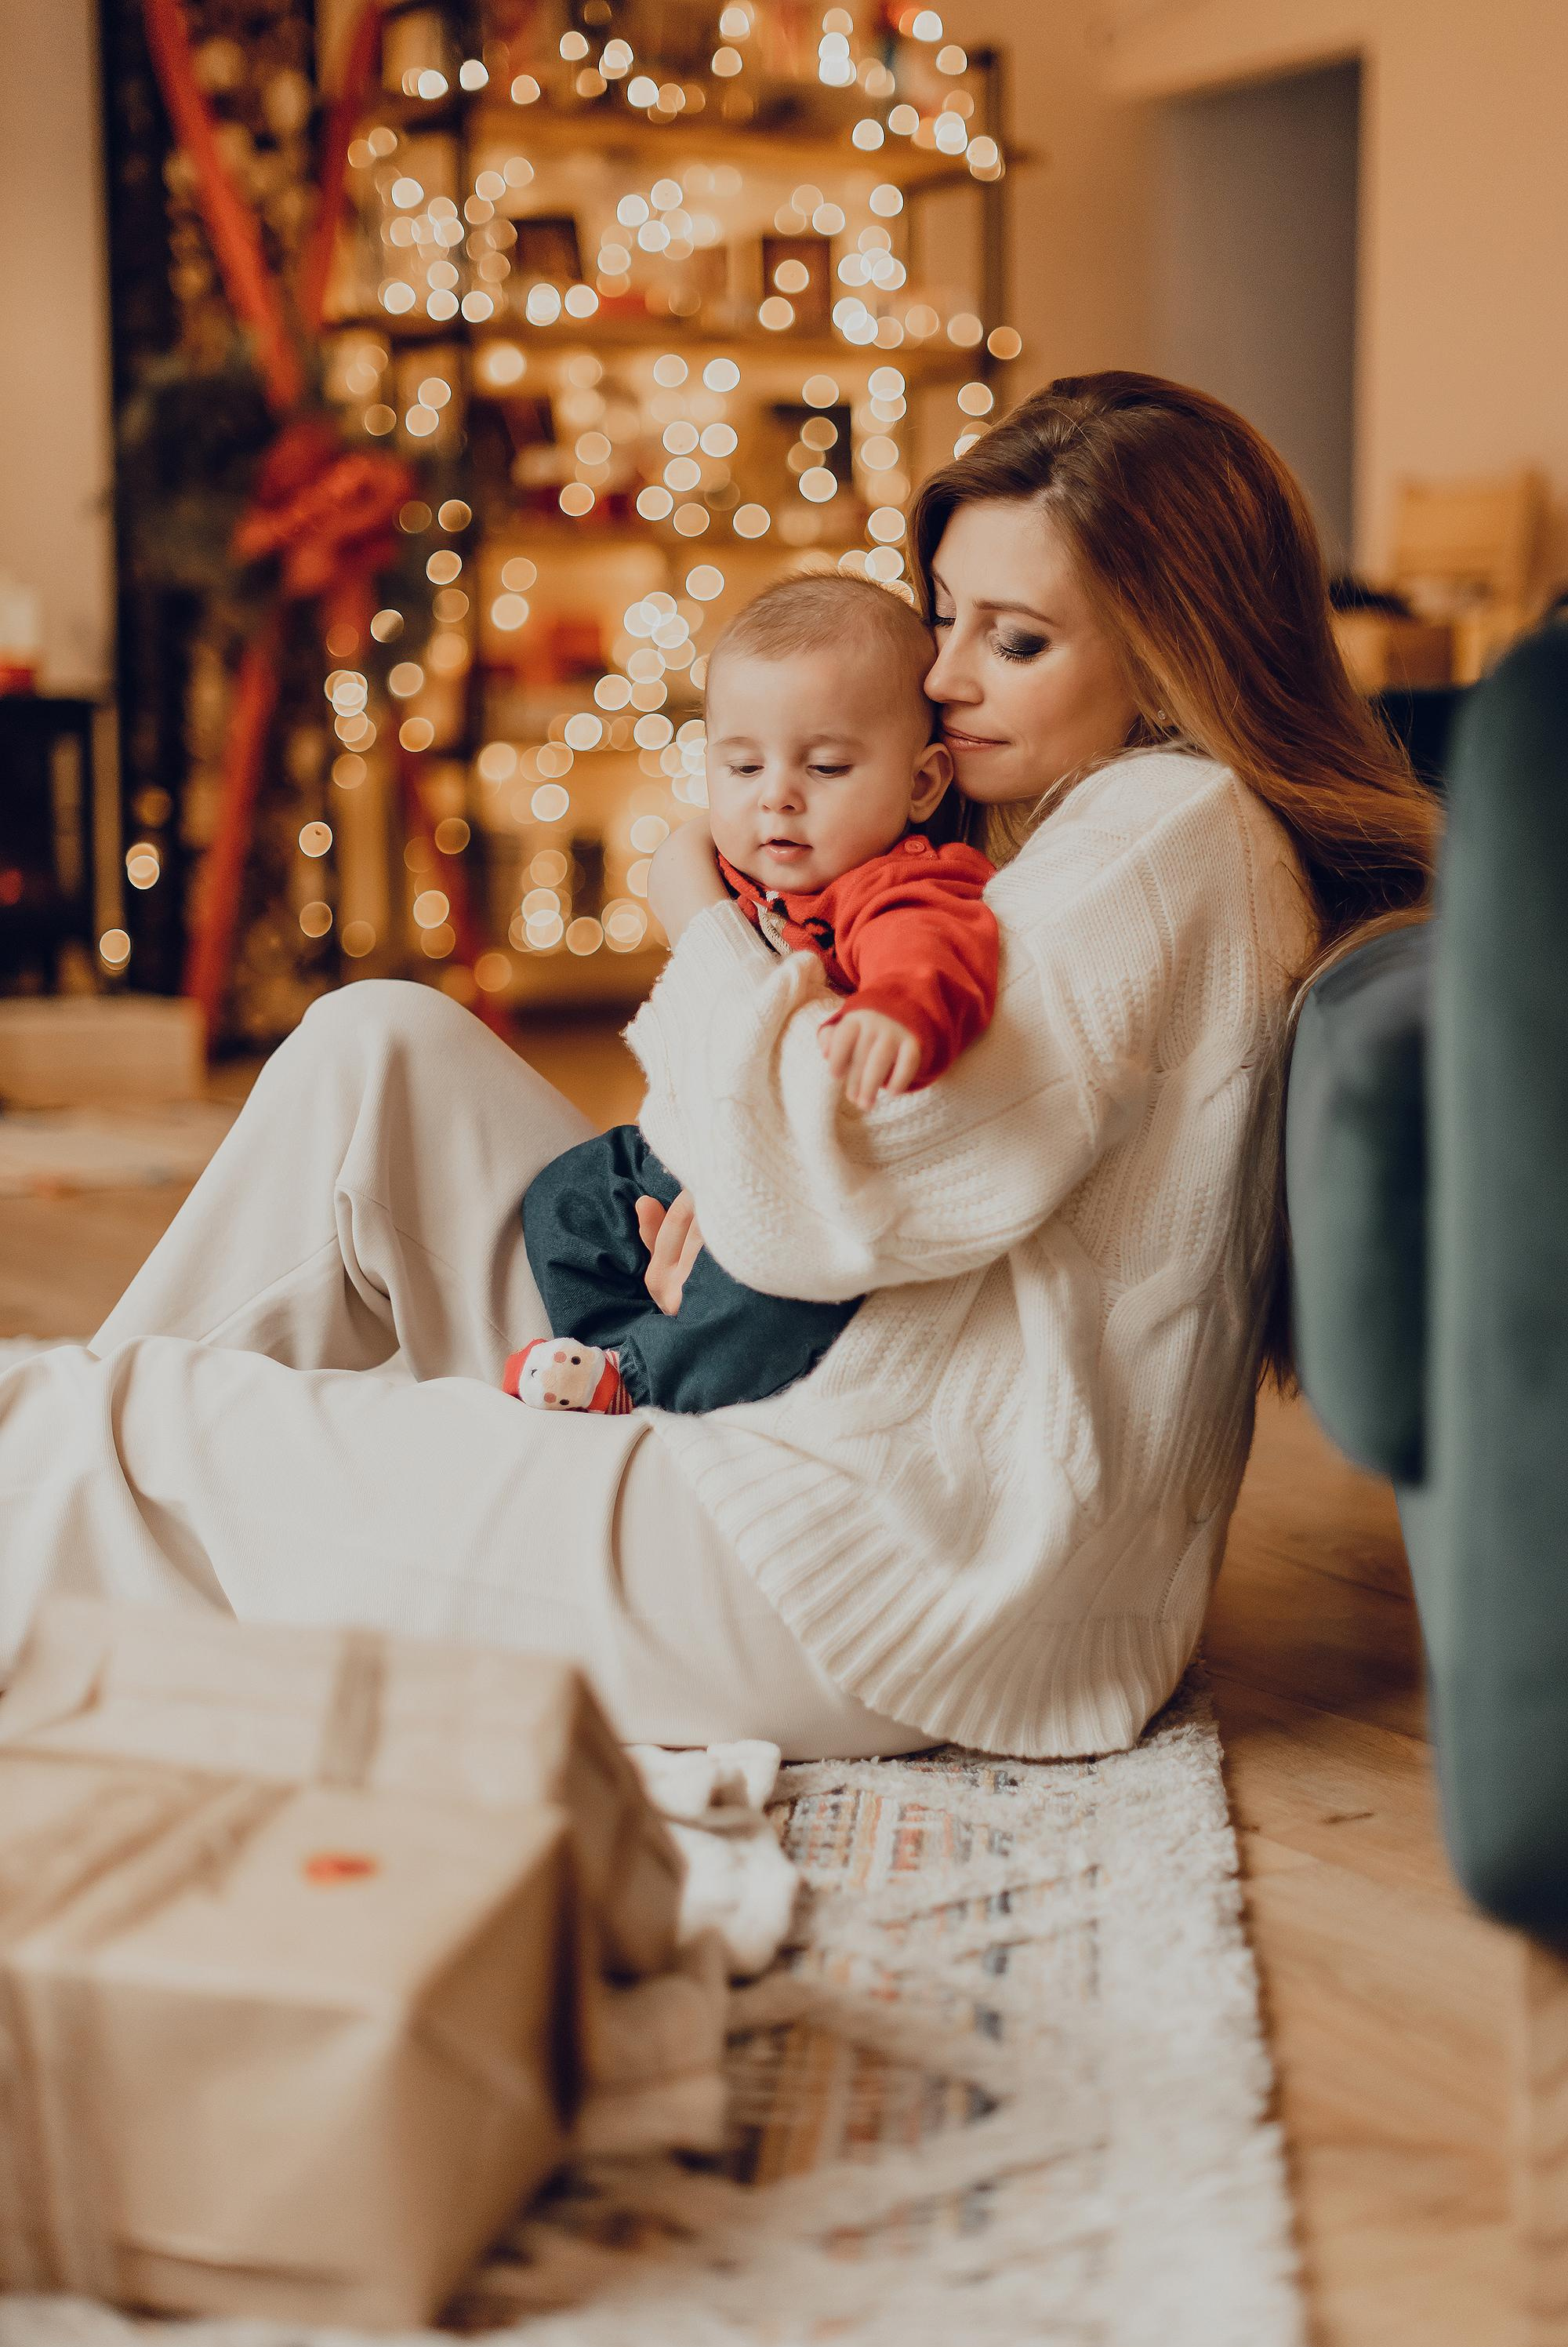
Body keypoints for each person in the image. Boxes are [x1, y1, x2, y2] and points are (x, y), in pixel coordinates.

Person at [0, 372, 1439, 1762]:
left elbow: (807, 1218)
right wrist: (715, 1156)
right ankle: (116, 1574)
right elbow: (790, 1174)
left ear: (1176, 644)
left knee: (100, 1423)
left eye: (1016, 641)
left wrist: (698, 921)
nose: (940, 677)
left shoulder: (1157, 838)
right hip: (786, 1401)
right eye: (945, 617)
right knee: (380, 1046)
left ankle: (97, 1559)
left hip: (853, 1560)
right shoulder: (1086, 828)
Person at [508, 572, 998, 1419]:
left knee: (778, 1282)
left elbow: (932, 952)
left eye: (826, 765)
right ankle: (612, 1348)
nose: (777, 793)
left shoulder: (895, 885)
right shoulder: (733, 874)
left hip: (803, 1181)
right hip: (694, 1146)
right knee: (569, 1194)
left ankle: (641, 1377)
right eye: (741, 764)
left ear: (921, 786)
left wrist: (897, 1010)